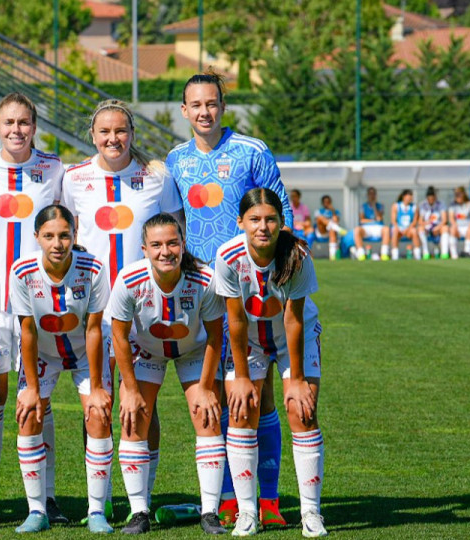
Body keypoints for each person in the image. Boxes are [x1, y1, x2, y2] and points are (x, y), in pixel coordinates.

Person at [167, 72, 293, 528]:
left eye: (212, 103)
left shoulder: (252, 151)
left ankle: (270, 499)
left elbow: (281, 211)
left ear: (224, 106)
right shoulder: (175, 159)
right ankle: (227, 497)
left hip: (252, 286)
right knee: (219, 395)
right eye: (195, 105)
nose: (204, 112)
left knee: (258, 394)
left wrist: (280, 271)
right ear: (185, 111)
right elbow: (176, 222)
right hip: (202, 290)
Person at [62, 99, 181, 517]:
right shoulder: (73, 178)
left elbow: (172, 236)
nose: (113, 139)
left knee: (144, 402)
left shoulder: (156, 178)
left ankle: (141, 499)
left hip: (146, 311)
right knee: (99, 400)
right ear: (92, 136)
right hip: (92, 312)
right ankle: (102, 496)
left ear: (132, 133)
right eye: (105, 132)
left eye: (121, 131)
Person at [0, 92, 65, 523]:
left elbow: (66, 224)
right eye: (9, 123)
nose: (17, 130)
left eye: (24, 123)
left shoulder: (53, 169)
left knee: (39, 399)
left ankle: (49, 496)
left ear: (34, 127)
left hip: (40, 305)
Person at [214, 188, 327, 538]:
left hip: (295, 335)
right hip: (248, 339)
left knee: (301, 410)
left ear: (281, 222)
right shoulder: (228, 255)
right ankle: (248, 511)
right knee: (242, 408)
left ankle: (311, 512)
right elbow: (235, 320)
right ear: (241, 222)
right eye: (255, 219)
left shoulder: (297, 255)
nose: (262, 227)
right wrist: (243, 377)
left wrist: (295, 381)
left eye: (270, 219)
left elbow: (294, 319)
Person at [107, 213, 227, 535]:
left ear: (183, 245)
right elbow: (118, 335)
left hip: (194, 349)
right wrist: (130, 390)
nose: (165, 251)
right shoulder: (129, 279)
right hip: (146, 349)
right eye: (156, 245)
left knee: (207, 415)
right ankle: (139, 511)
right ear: (144, 249)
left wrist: (205, 387)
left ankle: (210, 512)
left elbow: (216, 336)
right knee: (134, 417)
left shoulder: (205, 278)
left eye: (172, 243)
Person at [10, 205, 114, 534]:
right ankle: (37, 509)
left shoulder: (94, 268)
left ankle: (96, 510)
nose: (58, 243)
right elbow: (27, 331)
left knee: (97, 413)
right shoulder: (22, 271)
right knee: (29, 414)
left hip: (85, 350)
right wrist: (31, 388)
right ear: (37, 238)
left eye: (65, 235)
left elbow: (95, 328)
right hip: (41, 351)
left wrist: (96, 387)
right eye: (50, 236)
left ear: (75, 236)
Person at [353, 187, 390, 261]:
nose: (372, 196)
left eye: (373, 194)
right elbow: (362, 220)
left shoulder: (380, 206)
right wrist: (372, 220)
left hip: (378, 227)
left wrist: (374, 206)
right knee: (357, 230)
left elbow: (379, 218)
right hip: (367, 228)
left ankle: (384, 254)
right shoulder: (363, 206)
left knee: (386, 229)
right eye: (370, 194)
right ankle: (361, 254)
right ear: (367, 195)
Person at [418, 186, 449, 259]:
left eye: (433, 198)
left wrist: (438, 227)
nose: (431, 200)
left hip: (438, 226)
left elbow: (444, 220)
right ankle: (426, 252)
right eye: (429, 198)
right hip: (427, 226)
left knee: (445, 228)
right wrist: (426, 224)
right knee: (420, 229)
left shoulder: (441, 204)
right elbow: (420, 221)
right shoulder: (423, 205)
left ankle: (444, 253)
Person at [313, 195, 347, 261]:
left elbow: (337, 220)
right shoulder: (318, 211)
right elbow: (317, 221)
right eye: (325, 202)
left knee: (333, 227)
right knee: (320, 218)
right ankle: (337, 228)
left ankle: (332, 256)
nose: (327, 203)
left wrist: (333, 211)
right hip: (322, 231)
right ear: (322, 203)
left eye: (328, 202)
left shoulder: (335, 211)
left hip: (330, 232)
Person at [390, 189, 420, 260]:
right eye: (409, 196)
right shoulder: (396, 206)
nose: (410, 198)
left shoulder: (414, 207)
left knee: (414, 231)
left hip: (409, 228)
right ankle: (395, 255)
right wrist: (398, 228)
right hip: (399, 228)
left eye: (411, 197)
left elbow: (415, 221)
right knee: (395, 231)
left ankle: (417, 254)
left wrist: (408, 229)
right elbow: (393, 220)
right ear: (404, 197)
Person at [448, 186, 470, 258]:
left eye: (459, 195)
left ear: (463, 194)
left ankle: (466, 252)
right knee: (452, 229)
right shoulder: (453, 205)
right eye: (456, 195)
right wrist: (455, 226)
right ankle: (454, 254)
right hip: (458, 227)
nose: (457, 197)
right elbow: (451, 218)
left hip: (467, 226)